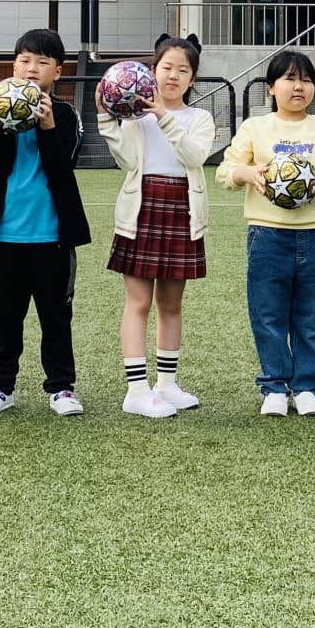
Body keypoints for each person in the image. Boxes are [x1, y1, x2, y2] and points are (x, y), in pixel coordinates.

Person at [219, 50, 315, 417]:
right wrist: (249, 174)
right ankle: (273, 386)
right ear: (271, 88)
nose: (298, 86)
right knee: (268, 314)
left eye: (305, 80)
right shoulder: (255, 128)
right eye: (288, 78)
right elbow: (226, 171)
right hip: (266, 236)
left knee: (310, 315)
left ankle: (306, 387)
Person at [0, 29, 90, 418]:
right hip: (5, 234)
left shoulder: (66, 114)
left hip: (52, 235)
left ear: (58, 71)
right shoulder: (2, 112)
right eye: (25, 60)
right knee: (5, 316)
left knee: (55, 316)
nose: (32, 68)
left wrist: (47, 126)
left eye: (42, 62)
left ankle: (61, 388)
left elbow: (61, 170)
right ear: (14, 66)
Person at [100, 34, 215, 419]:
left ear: (193, 78)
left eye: (183, 70)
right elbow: (125, 159)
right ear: (152, 71)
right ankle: (136, 389)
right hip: (142, 208)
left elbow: (194, 155)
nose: (173, 76)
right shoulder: (135, 120)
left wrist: (164, 118)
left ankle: (166, 384)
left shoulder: (200, 118)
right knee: (138, 302)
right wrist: (106, 117)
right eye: (167, 67)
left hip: (181, 209)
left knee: (171, 304)